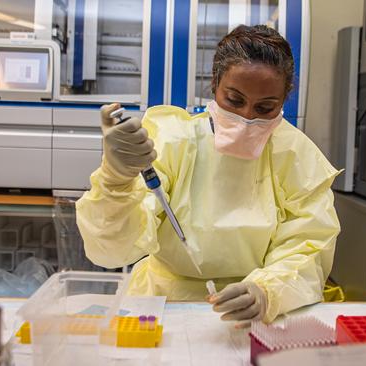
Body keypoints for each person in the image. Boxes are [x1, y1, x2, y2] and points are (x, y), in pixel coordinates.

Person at [76, 25, 341, 325]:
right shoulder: (173, 142)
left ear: (283, 101)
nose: (246, 118)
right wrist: (116, 180)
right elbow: (110, 251)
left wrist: (267, 292)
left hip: (254, 314)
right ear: (215, 84)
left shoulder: (295, 157)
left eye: (265, 108)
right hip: (163, 306)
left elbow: (309, 248)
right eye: (235, 100)